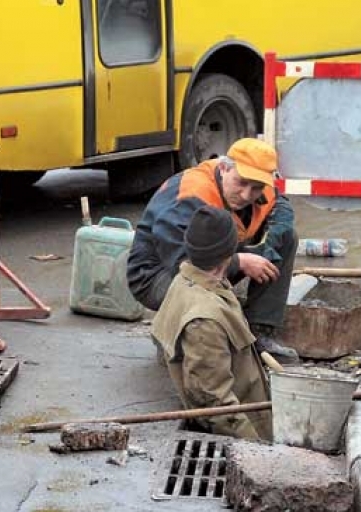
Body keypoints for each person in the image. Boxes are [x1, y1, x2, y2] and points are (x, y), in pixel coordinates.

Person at [127, 137, 298, 359]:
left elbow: (279, 203)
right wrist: (241, 262)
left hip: (213, 261)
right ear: (224, 168)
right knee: (202, 288)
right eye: (241, 183)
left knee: (287, 237)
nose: (247, 195)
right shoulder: (191, 195)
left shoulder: (256, 186)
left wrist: (275, 235)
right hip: (160, 275)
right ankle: (171, 336)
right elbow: (187, 263)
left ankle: (259, 332)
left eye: (256, 188)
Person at [151, 206, 272, 441]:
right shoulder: (204, 320)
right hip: (246, 429)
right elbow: (215, 402)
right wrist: (258, 448)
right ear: (229, 253)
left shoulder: (187, 281)